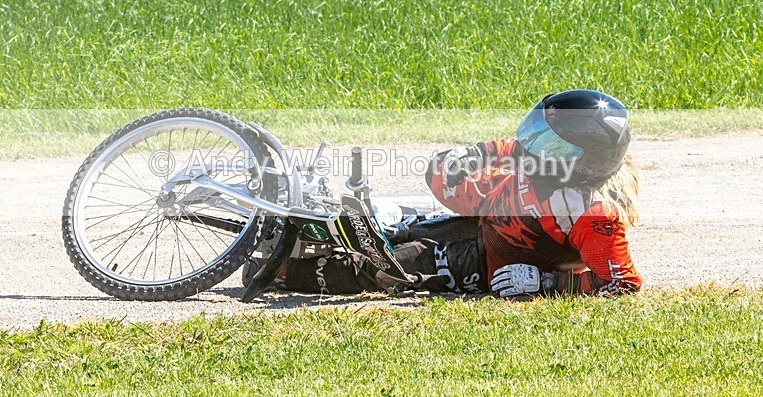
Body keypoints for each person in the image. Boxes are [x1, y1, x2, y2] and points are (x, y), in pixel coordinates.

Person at [272, 89, 642, 298]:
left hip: (487, 266)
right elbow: (509, 147)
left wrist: (547, 282)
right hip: (482, 224)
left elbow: (623, 285)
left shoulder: (595, 216)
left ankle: (278, 270)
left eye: (548, 143)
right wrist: (472, 155)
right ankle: (369, 226)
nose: (529, 145)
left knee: (389, 269)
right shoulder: (539, 159)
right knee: (398, 233)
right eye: (537, 132)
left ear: (583, 161)